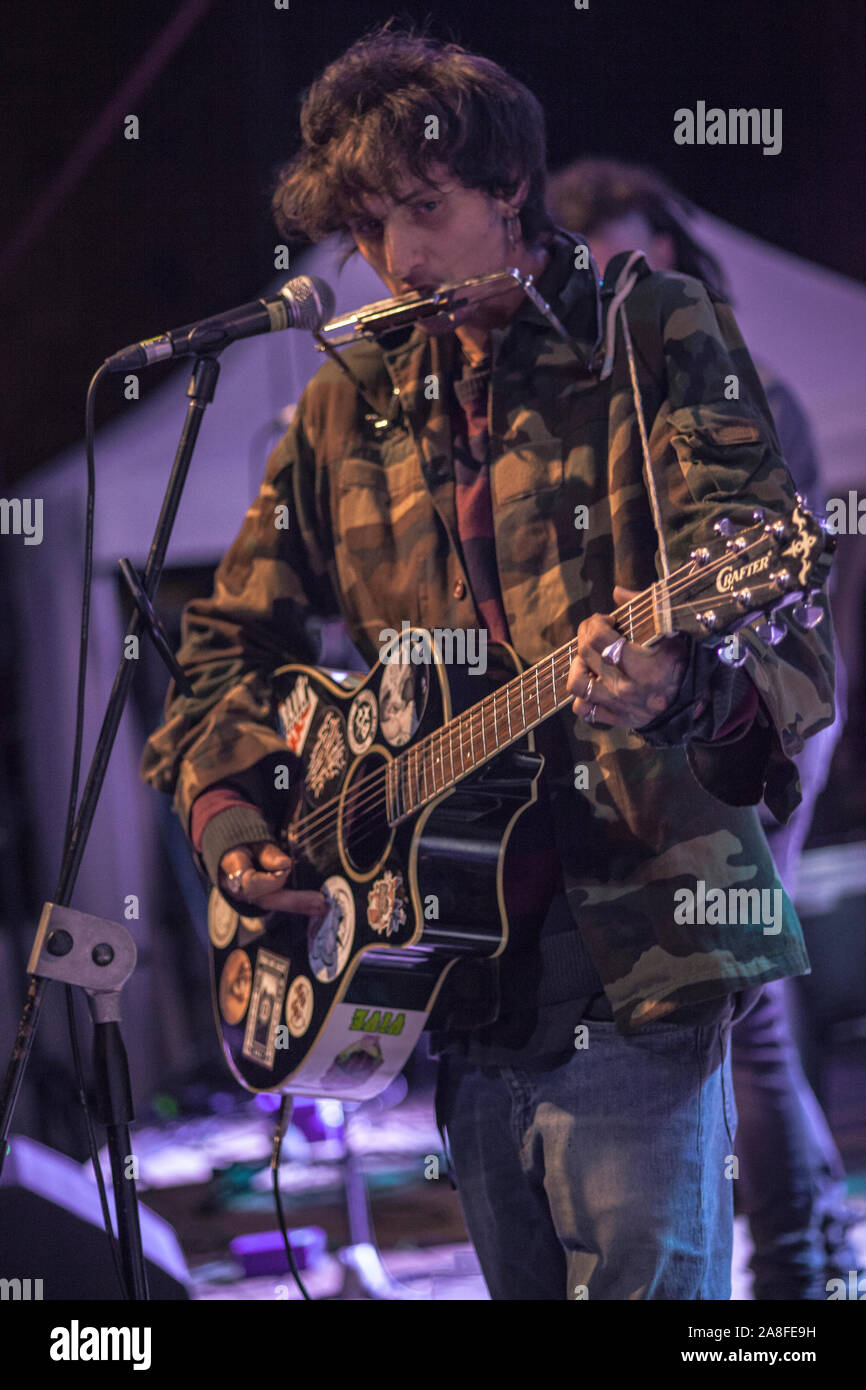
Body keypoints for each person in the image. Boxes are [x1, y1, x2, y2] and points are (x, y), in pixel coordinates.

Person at [140, 29, 837, 1300]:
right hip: (445, 975)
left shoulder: (651, 329)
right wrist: (239, 820)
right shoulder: (341, 405)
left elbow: (788, 646)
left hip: (630, 944)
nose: (400, 258)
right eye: (368, 228)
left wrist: (680, 687)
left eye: (425, 209)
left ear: (508, 187)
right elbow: (229, 639)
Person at [546, 156, 859, 1300]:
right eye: (606, 267)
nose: (633, 284)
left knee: (748, 1001)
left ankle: (797, 1267)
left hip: (755, 721)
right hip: (661, 725)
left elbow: (763, 601)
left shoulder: (745, 390)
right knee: (742, 1008)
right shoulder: (591, 407)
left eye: (647, 258)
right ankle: (801, 1259)